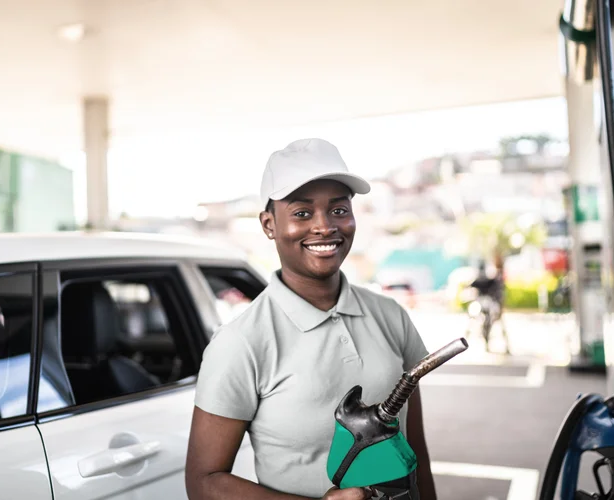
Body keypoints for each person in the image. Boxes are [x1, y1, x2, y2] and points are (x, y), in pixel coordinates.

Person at [186, 138, 437, 500]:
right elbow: (203, 481)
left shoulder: (391, 317)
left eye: (338, 210)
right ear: (269, 224)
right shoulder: (241, 343)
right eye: (302, 213)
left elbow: (416, 453)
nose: (325, 227)